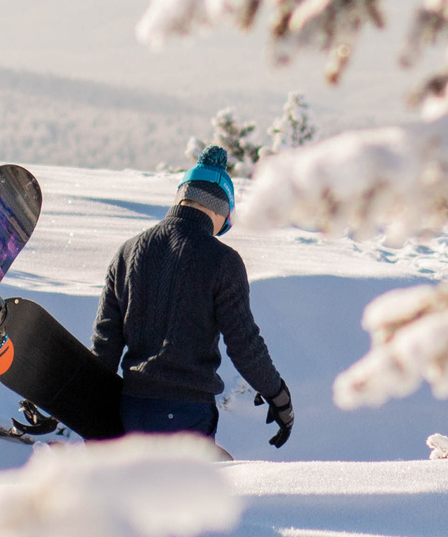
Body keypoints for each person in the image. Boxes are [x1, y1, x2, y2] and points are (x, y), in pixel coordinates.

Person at [91, 146, 295, 448]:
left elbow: (104, 345)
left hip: (130, 410)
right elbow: (243, 345)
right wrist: (278, 395)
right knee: (184, 494)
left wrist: (81, 400)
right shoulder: (222, 260)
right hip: (186, 413)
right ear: (221, 209)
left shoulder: (128, 251)